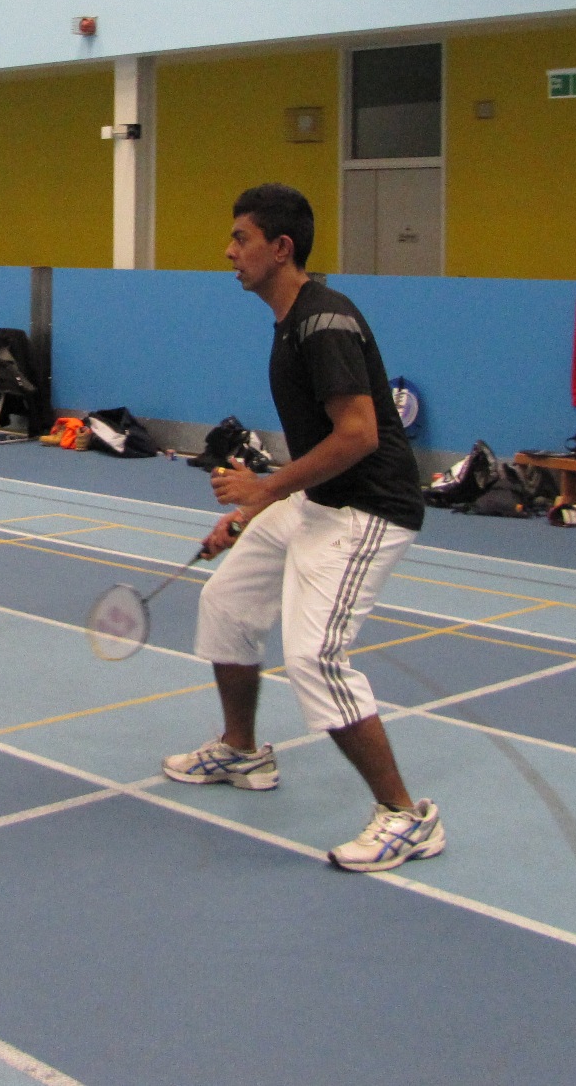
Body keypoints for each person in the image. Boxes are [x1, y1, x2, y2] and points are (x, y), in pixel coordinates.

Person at [162, 183, 442, 874]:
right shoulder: (291, 323)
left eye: (241, 240)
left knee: (317, 657)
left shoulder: (325, 323)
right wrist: (256, 510)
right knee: (226, 603)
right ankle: (242, 749)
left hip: (368, 509)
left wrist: (263, 488)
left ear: (280, 248)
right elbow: (325, 448)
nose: (229, 252)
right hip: (320, 500)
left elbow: (359, 436)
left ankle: (406, 818)